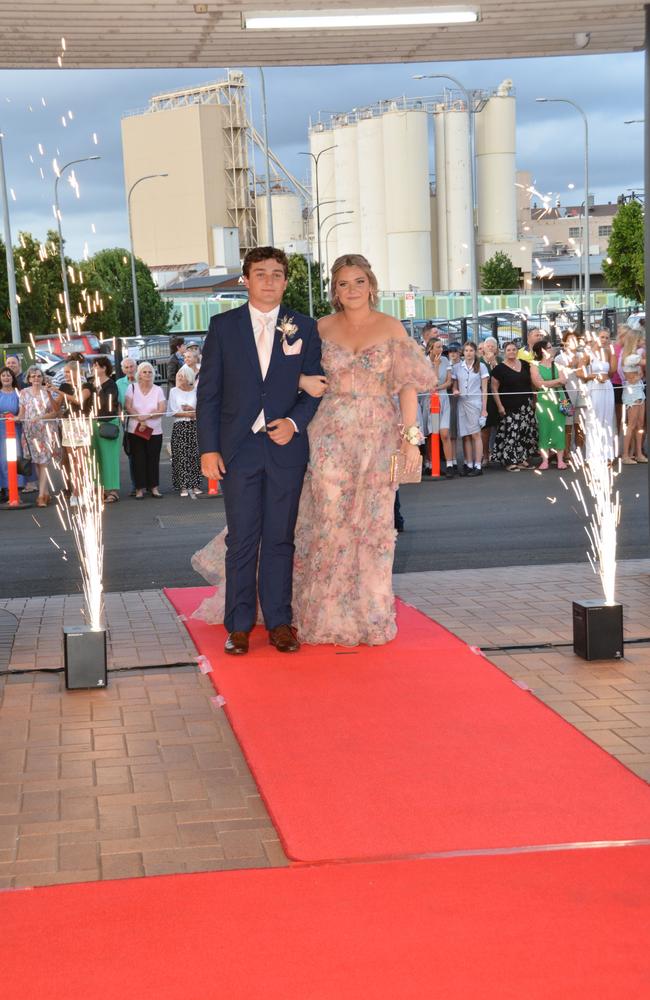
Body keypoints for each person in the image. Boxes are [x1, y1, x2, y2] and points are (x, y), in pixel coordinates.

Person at [196, 246, 323, 656]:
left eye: (277, 274)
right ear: (245, 280)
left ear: (286, 281)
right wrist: (208, 449)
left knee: (280, 538)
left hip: (285, 447)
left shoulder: (303, 326)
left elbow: (315, 388)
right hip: (239, 449)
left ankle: (280, 622)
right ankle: (239, 624)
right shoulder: (222, 327)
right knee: (242, 539)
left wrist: (293, 423)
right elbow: (209, 394)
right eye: (260, 273)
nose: (269, 281)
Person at [18, 365, 61, 506]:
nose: (36, 378)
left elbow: (55, 412)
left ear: (42, 378)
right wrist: (13, 418)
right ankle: (46, 493)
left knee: (44, 463)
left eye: (38, 376)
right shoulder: (24, 393)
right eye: (33, 376)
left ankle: (41, 496)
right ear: (29, 378)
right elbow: (22, 413)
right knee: (37, 462)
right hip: (30, 432)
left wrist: (42, 416)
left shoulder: (48, 392)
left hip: (46, 430)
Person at [490, 342, 537, 470]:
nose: (511, 352)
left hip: (526, 405)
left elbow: (532, 384)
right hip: (509, 406)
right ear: (504, 352)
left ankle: (522, 459)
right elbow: (494, 389)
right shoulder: (498, 369)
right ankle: (510, 461)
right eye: (509, 350)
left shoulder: (525, 364)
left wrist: (534, 400)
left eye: (514, 349)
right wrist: (500, 406)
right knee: (511, 433)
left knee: (525, 432)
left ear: (517, 350)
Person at [125, 362, 167, 499]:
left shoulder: (158, 390)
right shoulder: (132, 388)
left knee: (153, 459)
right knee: (138, 459)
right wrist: (141, 420)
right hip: (135, 430)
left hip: (155, 430)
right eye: (144, 372)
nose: (147, 374)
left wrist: (148, 416)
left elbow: (162, 409)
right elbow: (128, 407)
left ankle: (154, 487)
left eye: (150, 372)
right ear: (139, 374)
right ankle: (139, 489)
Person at [576, 330, 618, 464]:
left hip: (607, 387)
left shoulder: (608, 352)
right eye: (602, 337)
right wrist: (594, 376)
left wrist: (612, 352)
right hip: (594, 387)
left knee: (607, 420)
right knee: (593, 421)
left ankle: (607, 455)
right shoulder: (588, 353)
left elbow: (612, 371)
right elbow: (579, 372)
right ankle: (593, 456)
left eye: (607, 337)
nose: (605, 339)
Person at [56, 359, 93, 506]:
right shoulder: (64, 386)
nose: (65, 375)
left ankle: (80, 491)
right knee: (72, 459)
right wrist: (49, 393)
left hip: (82, 423)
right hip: (67, 423)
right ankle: (75, 492)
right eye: (64, 372)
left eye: (67, 372)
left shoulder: (87, 386)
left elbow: (79, 401)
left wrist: (57, 391)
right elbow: (56, 406)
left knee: (81, 459)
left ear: (76, 372)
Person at [451, 341, 488, 476]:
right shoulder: (457, 367)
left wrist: (484, 409)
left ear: (475, 352)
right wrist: (455, 390)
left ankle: (478, 465)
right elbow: (454, 385)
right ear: (463, 352)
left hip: (475, 402)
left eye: (471, 350)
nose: (468, 353)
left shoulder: (481, 367)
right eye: (466, 351)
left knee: (476, 434)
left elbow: (484, 390)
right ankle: (469, 463)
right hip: (461, 402)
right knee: (466, 436)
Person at [530, 340, 568, 470]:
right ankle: (545, 460)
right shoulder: (535, 366)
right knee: (544, 429)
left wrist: (548, 382)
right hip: (544, 401)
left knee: (559, 429)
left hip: (559, 400)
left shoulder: (557, 364)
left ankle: (560, 460)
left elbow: (564, 381)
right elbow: (538, 384)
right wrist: (556, 381)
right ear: (542, 350)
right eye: (549, 347)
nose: (552, 349)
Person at [168, 364, 203, 496]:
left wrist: (191, 410)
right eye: (179, 376)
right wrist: (188, 414)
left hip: (194, 426)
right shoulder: (173, 391)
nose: (180, 378)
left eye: (183, 376)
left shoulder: (195, 391)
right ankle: (183, 486)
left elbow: (201, 409)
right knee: (181, 456)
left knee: (194, 455)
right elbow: (172, 411)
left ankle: (195, 485)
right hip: (180, 426)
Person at [91, 356, 121, 503]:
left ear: (104, 368)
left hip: (108, 422)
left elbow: (107, 403)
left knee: (110, 458)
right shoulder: (91, 383)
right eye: (93, 366)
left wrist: (97, 390)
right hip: (94, 423)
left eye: (96, 366)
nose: (93, 369)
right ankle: (99, 489)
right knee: (96, 459)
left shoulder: (111, 384)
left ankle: (112, 490)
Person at [425, 336, 454, 477]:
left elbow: (449, 382)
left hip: (443, 399)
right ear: (430, 348)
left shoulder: (445, 360)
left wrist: (439, 388)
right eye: (437, 347)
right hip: (430, 401)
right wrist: (435, 366)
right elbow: (432, 383)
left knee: (444, 433)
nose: (440, 349)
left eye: (441, 347)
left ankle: (449, 465)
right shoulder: (424, 362)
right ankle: (430, 464)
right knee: (432, 434)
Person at [554, 330, 585, 455]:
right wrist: (570, 366)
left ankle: (579, 453)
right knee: (567, 425)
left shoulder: (583, 356)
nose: (572, 342)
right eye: (569, 340)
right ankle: (566, 453)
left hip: (582, 394)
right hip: (565, 395)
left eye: (575, 340)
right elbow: (558, 376)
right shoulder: (559, 358)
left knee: (580, 425)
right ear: (565, 343)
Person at [0, 366, 24, 500]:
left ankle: (15, 491)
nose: (6, 378)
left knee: (15, 459)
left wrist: (18, 417)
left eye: (8, 375)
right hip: (0, 430)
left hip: (14, 430)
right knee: (2, 461)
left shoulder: (18, 393)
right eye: (3, 375)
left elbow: (22, 410)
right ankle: (5, 489)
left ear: (12, 378)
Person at [116, 356, 138, 496]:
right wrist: (122, 419)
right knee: (132, 455)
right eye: (127, 367)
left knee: (147, 453)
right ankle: (136, 485)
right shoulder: (119, 383)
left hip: (146, 420)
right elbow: (118, 404)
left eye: (131, 366)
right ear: (123, 369)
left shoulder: (142, 379)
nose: (130, 369)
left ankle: (148, 484)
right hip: (128, 422)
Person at [620, 353, 647, 464]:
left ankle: (639, 453)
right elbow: (631, 379)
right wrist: (638, 375)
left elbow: (637, 376)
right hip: (631, 395)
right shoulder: (628, 358)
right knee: (631, 425)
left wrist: (638, 375)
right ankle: (626, 455)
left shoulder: (635, 356)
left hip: (640, 392)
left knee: (640, 425)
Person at [480, 337, 500, 464]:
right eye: (488, 346)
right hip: (485, 400)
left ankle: (497, 454)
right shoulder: (479, 362)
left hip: (498, 399)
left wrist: (495, 364)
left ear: (497, 349)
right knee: (485, 429)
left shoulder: (501, 361)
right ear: (483, 348)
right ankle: (485, 455)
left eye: (493, 346)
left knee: (499, 427)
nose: (490, 348)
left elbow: (502, 377)